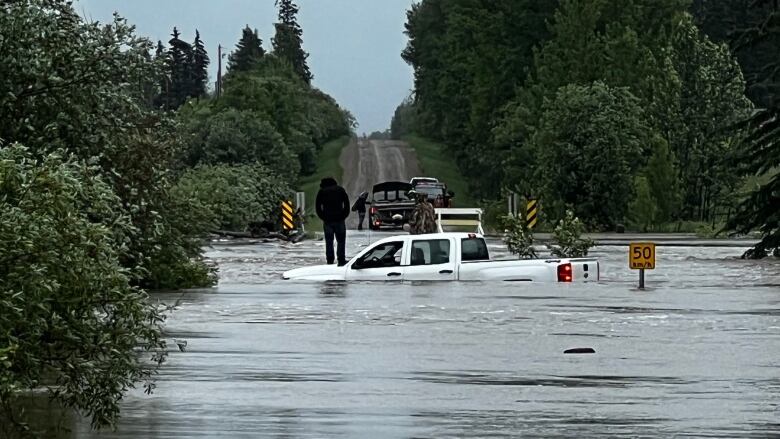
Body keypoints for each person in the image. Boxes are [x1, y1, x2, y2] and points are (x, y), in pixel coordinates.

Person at [316, 177, 350, 266]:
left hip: (327, 221)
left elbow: (318, 207)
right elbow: (347, 204)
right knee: (341, 241)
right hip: (339, 220)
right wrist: (344, 215)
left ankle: (330, 259)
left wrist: (323, 216)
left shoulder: (322, 192)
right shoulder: (340, 190)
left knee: (329, 241)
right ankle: (341, 259)